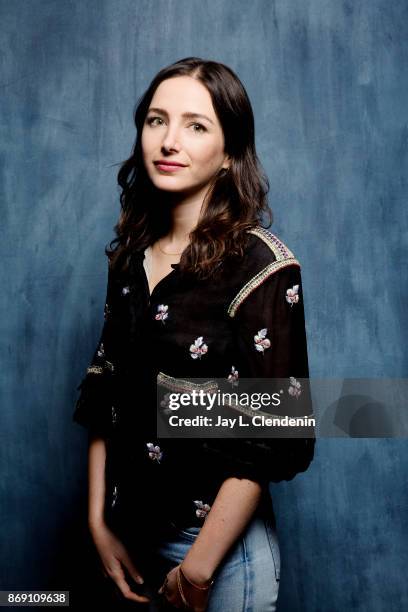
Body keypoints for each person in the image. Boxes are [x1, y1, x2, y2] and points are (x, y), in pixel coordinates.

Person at [72, 57, 316, 611]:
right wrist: (96, 521)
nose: (169, 140)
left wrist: (199, 573)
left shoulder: (263, 268)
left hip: (218, 555)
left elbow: (276, 437)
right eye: (157, 120)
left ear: (229, 153)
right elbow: (104, 391)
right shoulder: (131, 256)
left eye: (196, 125)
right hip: (127, 539)